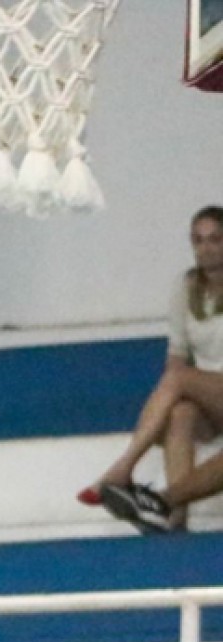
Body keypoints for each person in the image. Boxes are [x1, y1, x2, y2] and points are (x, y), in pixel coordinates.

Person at [90, 206, 223, 532]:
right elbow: (177, 353)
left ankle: (124, 467)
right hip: (210, 395)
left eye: (215, 239)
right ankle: (172, 518)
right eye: (198, 240)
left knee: (178, 380)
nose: (205, 248)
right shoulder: (186, 286)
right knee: (180, 413)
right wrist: (166, 406)